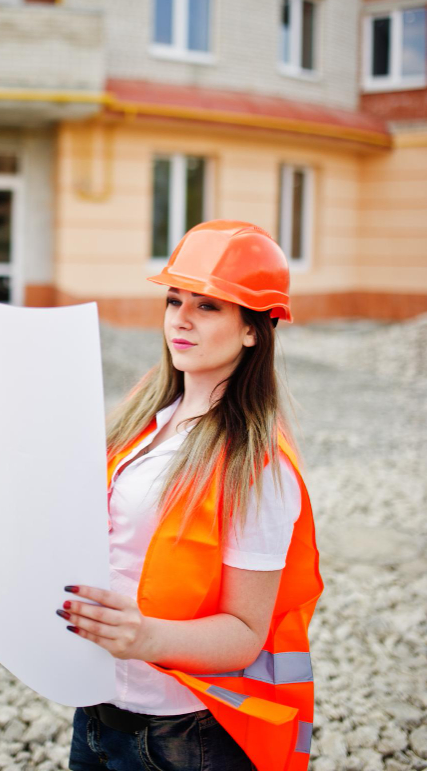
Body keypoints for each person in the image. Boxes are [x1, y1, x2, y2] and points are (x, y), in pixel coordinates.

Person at [59, 220, 324, 771]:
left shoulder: (257, 463)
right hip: (95, 716)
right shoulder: (142, 422)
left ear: (254, 329)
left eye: (208, 306)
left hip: (180, 739)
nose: (180, 318)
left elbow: (245, 635)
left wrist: (144, 636)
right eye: (175, 299)